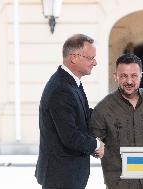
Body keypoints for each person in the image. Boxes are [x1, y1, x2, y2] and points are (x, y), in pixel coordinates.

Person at [89, 53, 143, 189]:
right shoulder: (103, 107)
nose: (129, 81)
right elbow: (93, 143)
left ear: (141, 76)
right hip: (119, 182)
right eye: (123, 76)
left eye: (134, 75)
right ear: (115, 77)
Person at [35, 34, 105, 189]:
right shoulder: (61, 88)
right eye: (90, 58)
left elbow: (83, 115)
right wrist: (96, 144)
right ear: (74, 57)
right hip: (61, 177)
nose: (95, 62)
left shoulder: (71, 82)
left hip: (67, 175)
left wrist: (110, 117)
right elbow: (70, 136)